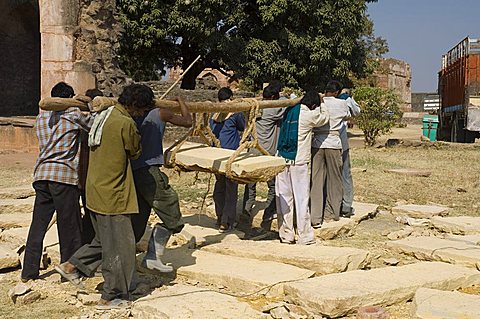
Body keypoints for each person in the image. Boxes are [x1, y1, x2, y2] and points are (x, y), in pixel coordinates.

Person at [56, 84, 142, 309]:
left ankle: (72, 266)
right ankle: (112, 295)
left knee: (102, 241)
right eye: (141, 110)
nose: (141, 114)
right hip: (113, 193)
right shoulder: (125, 123)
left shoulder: (103, 116)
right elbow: (134, 151)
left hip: (94, 189)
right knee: (121, 246)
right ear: (134, 106)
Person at [21, 82, 91, 282]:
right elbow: (94, 125)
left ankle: (28, 272)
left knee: (38, 225)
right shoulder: (74, 115)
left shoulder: (41, 118)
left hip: (42, 175)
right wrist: (84, 103)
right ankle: (69, 270)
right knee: (69, 225)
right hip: (63, 176)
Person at [129, 88, 192, 273]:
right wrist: (180, 101)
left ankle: (126, 261)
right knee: (172, 214)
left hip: (133, 171)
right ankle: (152, 257)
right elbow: (188, 121)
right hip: (150, 171)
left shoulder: (131, 115)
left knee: (139, 218)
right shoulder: (160, 113)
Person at [276, 90, 329, 244]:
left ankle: (286, 234)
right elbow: (324, 117)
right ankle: (304, 235)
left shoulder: (288, 111)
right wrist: (323, 103)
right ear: (313, 105)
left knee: (284, 198)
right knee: (301, 198)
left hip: (281, 158)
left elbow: (293, 101)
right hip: (298, 161)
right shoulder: (309, 115)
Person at [242, 82, 285, 230]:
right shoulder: (273, 109)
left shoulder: (253, 108)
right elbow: (285, 104)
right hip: (267, 152)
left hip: (252, 151)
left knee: (250, 184)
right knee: (272, 185)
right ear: (273, 97)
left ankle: (245, 213)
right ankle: (268, 214)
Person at [310, 80, 350, 227]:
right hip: (333, 142)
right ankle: (332, 213)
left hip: (317, 143)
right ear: (337, 92)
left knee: (316, 180)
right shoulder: (341, 103)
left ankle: (315, 215)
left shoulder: (318, 102)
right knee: (335, 179)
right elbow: (346, 116)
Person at [210, 87, 246, 232]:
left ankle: (220, 218)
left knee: (219, 187)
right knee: (230, 189)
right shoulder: (234, 113)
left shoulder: (214, 113)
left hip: (216, 155)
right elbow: (244, 126)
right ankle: (226, 221)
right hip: (230, 155)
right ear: (230, 98)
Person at [79, 88, 104, 245]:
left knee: (90, 213)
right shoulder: (88, 121)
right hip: (87, 174)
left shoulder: (94, 120)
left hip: (88, 175)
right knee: (91, 213)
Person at [337, 88, 361, 217]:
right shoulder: (345, 100)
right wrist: (348, 97)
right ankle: (346, 205)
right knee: (345, 173)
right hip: (341, 139)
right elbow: (357, 111)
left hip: (323, 141)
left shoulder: (324, 101)